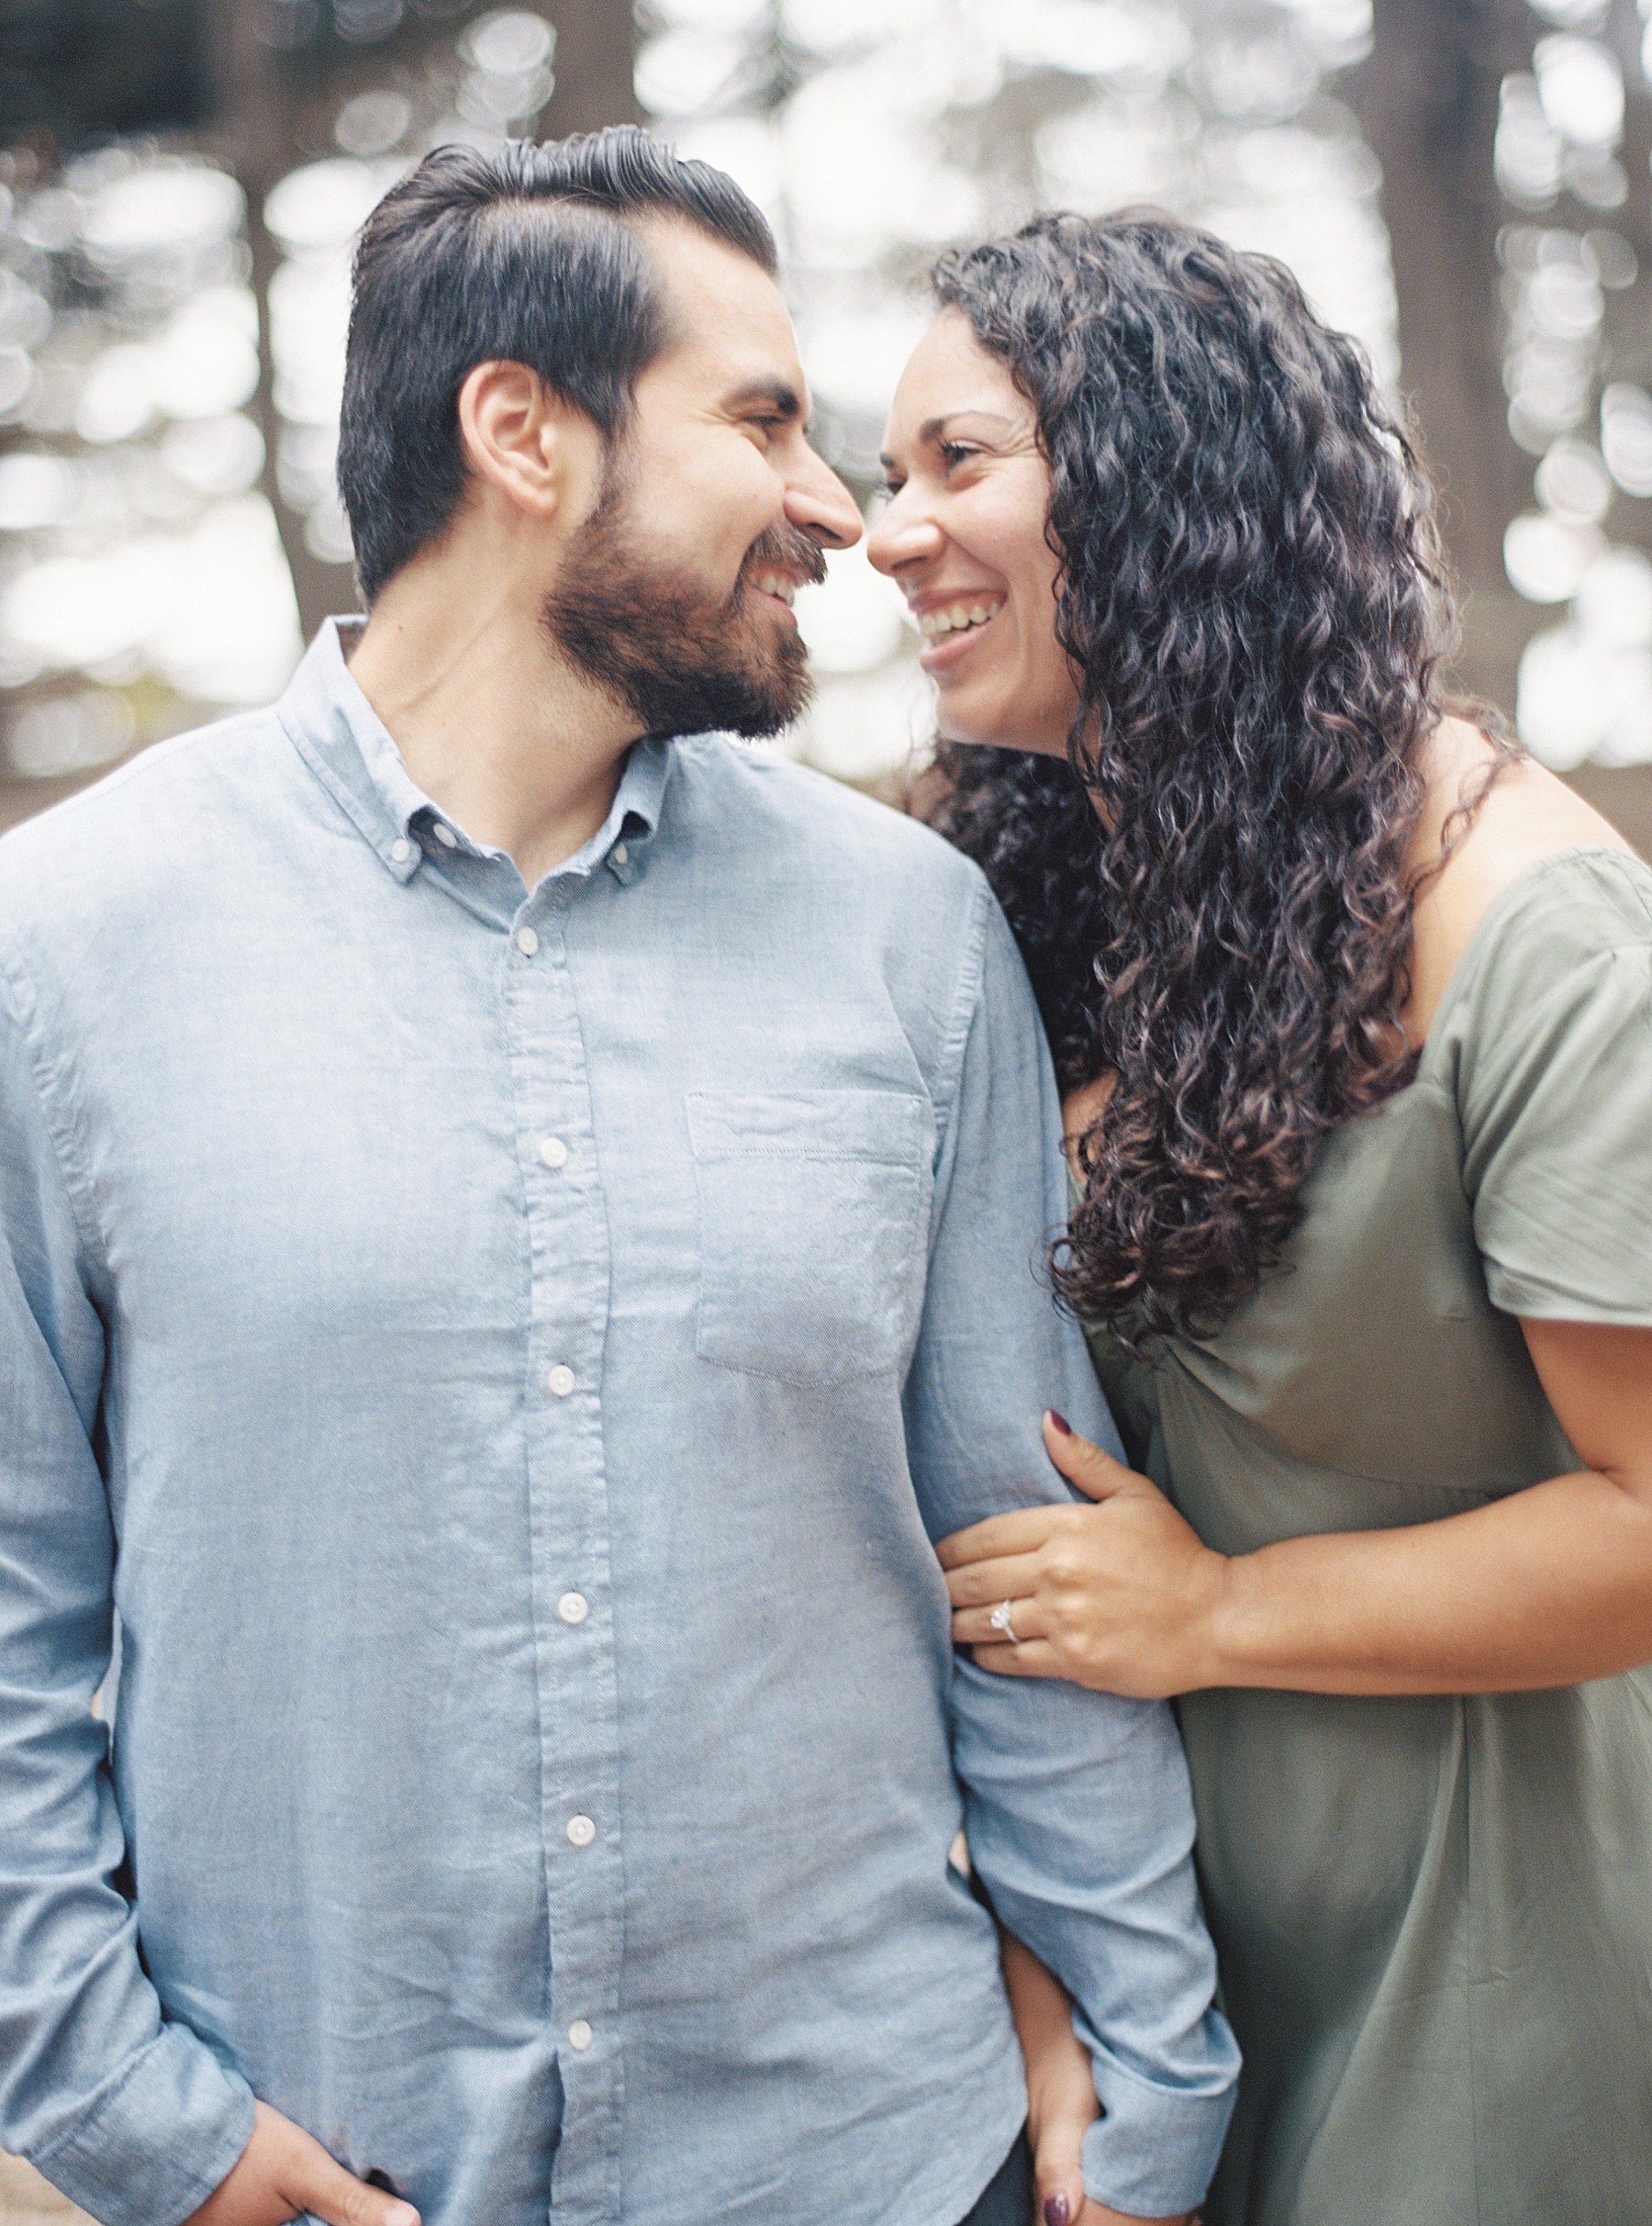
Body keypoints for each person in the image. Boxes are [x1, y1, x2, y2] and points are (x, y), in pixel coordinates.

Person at [0, 139, 1239, 2226]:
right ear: (524, 434)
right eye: (763, 419)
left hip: (877, 2161)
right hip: (316, 2167)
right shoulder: (63, 947)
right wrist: (144, 2129)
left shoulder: (910, 939)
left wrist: (1150, 2069)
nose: (837, 504)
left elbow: (1020, 1559)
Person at [868, 208, 1652, 2226]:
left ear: (1157, 475)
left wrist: (1214, 1615)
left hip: (1490, 1962)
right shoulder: (1048, 905)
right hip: (1161, 1978)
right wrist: (1059, 1993)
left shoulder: (1533, 925)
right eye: (888, 480)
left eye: (959, 460)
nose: (889, 535)